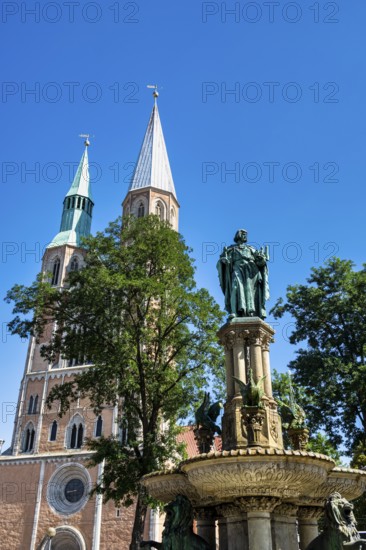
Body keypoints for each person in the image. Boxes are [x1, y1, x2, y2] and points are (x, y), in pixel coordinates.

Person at [217, 229, 269, 319]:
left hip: (250, 271)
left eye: (246, 234)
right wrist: (224, 262)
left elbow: (260, 264)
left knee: (251, 291)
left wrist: (262, 260)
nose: (245, 236)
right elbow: (223, 262)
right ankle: (234, 312)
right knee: (235, 287)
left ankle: (251, 311)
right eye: (243, 234)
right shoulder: (231, 249)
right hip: (236, 269)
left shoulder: (251, 249)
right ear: (238, 235)